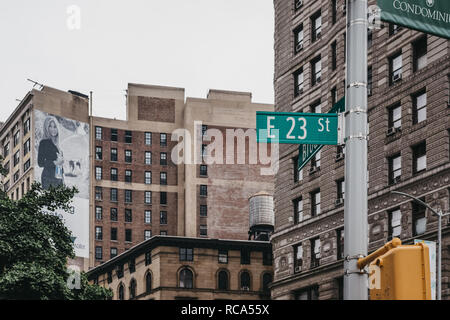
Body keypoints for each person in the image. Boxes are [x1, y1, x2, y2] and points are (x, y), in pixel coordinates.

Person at [38, 117, 64, 189]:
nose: (53, 129)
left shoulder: (59, 146)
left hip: (58, 178)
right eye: (50, 126)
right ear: (46, 128)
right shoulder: (44, 143)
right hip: (48, 178)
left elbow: (60, 167)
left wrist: (62, 180)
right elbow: (40, 163)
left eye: (55, 127)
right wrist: (55, 163)